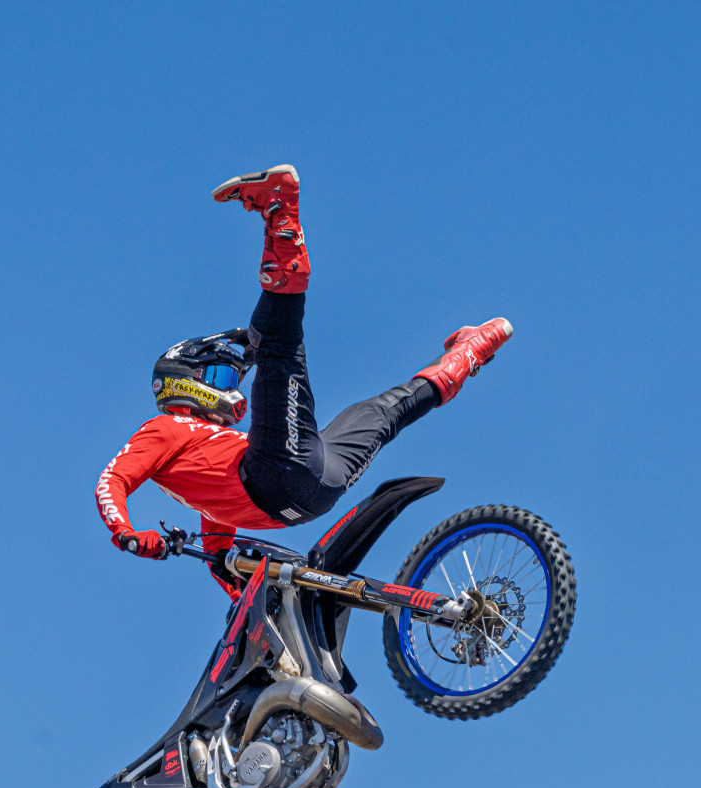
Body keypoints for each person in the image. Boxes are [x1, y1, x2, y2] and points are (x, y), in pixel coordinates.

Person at [95, 165, 513, 599]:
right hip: (292, 481)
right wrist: (127, 533)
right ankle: (279, 209)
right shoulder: (165, 428)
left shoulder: (211, 448)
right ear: (183, 382)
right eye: (219, 374)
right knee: (286, 351)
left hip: (301, 482)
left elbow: (218, 525)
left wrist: (223, 572)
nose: (229, 384)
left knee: (381, 410)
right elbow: (113, 481)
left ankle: (468, 352)